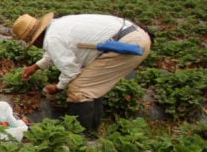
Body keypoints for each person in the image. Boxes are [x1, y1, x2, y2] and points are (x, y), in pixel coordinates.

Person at [13, 13, 151, 133]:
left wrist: (58, 87)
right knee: (91, 86)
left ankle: (80, 135)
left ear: (36, 37)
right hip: (134, 36)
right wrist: (35, 67)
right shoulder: (56, 27)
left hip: (128, 45)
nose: (34, 45)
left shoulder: (52, 38)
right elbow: (55, 53)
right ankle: (92, 131)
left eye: (31, 41)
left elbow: (71, 71)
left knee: (80, 88)